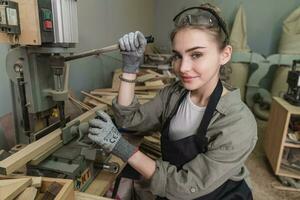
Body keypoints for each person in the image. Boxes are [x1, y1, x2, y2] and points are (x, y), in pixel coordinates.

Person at [88, 3, 257, 200]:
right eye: (178, 55)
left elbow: (186, 185)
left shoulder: (238, 122)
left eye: (196, 55)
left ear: (224, 54)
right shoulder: (174, 95)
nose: (183, 67)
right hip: (172, 190)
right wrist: (130, 66)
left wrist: (121, 147)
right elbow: (129, 120)